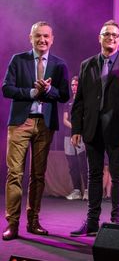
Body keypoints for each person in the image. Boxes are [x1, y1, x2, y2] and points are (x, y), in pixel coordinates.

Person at [70, 20, 119, 236]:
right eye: (107, 34)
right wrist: (76, 128)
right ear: (99, 38)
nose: (111, 38)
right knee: (94, 176)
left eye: (115, 35)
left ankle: (116, 223)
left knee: (118, 176)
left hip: (118, 133)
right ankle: (91, 222)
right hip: (91, 130)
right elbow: (79, 100)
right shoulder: (86, 65)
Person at [2, 21, 70, 241]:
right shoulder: (18, 60)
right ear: (30, 38)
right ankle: (12, 224)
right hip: (20, 123)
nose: (42, 40)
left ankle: (33, 222)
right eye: (38, 36)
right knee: (15, 175)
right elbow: (6, 88)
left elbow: (65, 95)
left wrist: (49, 90)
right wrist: (32, 92)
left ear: (52, 39)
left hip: (45, 125)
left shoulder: (59, 65)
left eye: (46, 37)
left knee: (38, 176)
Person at [63, 76, 88, 200]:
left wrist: (78, 129)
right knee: (72, 165)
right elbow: (64, 120)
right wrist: (75, 127)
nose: (74, 87)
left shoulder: (85, 100)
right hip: (68, 137)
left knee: (83, 163)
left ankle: (87, 190)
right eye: (72, 85)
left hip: (81, 136)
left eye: (76, 85)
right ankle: (77, 190)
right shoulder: (68, 102)